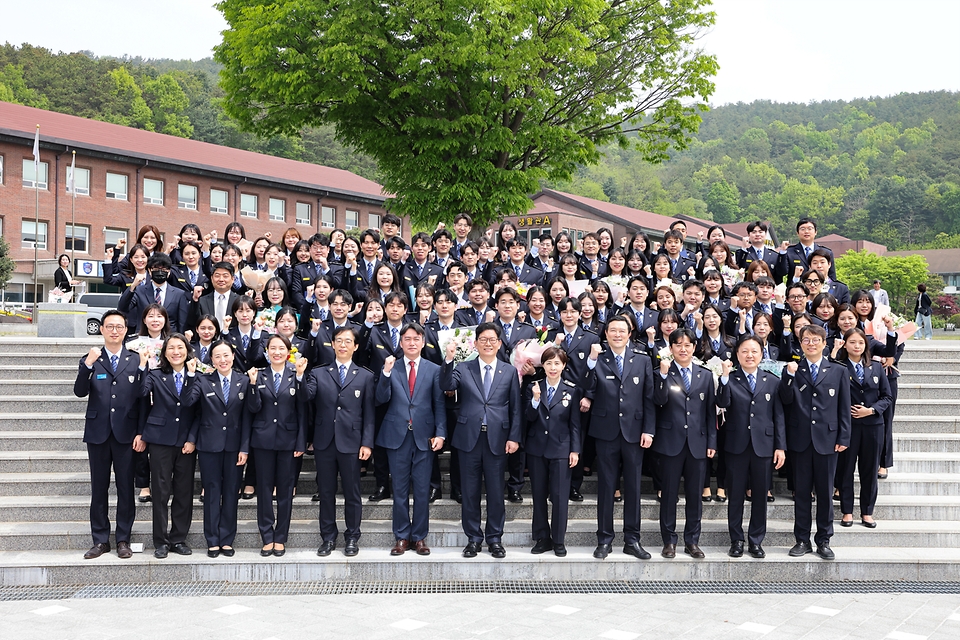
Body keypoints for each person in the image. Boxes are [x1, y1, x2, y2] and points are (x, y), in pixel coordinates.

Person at [440, 322, 522, 559]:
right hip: (468, 440)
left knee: (496, 492)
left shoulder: (508, 371)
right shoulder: (463, 368)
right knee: (470, 492)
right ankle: (473, 538)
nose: (487, 343)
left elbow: (515, 408)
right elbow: (446, 385)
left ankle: (495, 538)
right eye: (483, 339)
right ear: (475, 343)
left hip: (497, 438)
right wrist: (448, 359)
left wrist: (514, 437)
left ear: (499, 344)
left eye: (492, 339)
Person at [585, 316, 655, 560]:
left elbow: (649, 398)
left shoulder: (643, 359)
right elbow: (586, 388)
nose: (617, 334)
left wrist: (649, 429)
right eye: (612, 330)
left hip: (635, 432)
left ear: (629, 333)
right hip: (606, 431)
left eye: (621, 331)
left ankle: (632, 539)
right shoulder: (597, 359)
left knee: (634, 487)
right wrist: (591, 361)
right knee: (606, 487)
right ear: (606, 334)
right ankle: (604, 539)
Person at [73, 309, 142, 560]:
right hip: (98, 432)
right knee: (98, 488)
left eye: (119, 327)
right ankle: (100, 540)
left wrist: (141, 432)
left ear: (126, 331)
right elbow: (80, 391)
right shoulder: (92, 358)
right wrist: (87, 365)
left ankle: (123, 538)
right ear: (101, 329)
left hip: (126, 433)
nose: (115, 331)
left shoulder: (135, 359)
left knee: (125, 488)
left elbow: (142, 399)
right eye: (110, 326)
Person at [779, 324, 851, 560]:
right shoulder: (792, 369)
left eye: (815, 340)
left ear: (824, 343)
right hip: (800, 441)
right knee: (801, 492)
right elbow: (785, 400)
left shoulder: (838, 370)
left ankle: (824, 539)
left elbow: (844, 407)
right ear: (800, 344)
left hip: (828, 440)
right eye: (806, 340)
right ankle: (802, 539)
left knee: (825, 492)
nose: (811, 343)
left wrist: (843, 436)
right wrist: (789, 377)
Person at [303, 326, 375, 557]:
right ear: (332, 344)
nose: (343, 345)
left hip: (352, 443)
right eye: (339, 341)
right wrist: (299, 375)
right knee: (326, 492)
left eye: (348, 341)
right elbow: (306, 397)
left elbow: (369, 414)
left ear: (356, 346)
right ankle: (328, 537)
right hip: (325, 442)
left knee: (352, 493)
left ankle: (352, 536)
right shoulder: (318, 372)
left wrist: (367, 443)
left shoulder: (365, 375)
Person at [375, 323, 447, 556]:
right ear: (401, 341)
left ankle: (419, 537)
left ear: (423, 341)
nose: (412, 343)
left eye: (416, 338)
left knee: (423, 489)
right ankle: (401, 537)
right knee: (400, 489)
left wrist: (441, 432)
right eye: (407, 339)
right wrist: (385, 374)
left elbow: (438, 404)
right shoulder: (391, 367)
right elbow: (380, 398)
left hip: (424, 437)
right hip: (397, 436)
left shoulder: (434, 369)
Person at [716, 336, 786, 559]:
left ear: (762, 354)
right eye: (744, 351)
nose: (749, 355)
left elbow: (778, 417)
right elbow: (722, 403)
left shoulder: (772, 381)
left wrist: (780, 446)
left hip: (763, 446)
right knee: (735, 495)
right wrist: (724, 378)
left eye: (754, 351)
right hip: (736, 445)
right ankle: (736, 539)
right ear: (737, 355)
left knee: (759, 496)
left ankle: (756, 540)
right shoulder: (730, 379)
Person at [183, 340, 252, 558]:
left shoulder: (244, 381)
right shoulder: (203, 380)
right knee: (212, 493)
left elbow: (247, 417)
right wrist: (191, 375)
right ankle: (212, 539)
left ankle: (227, 539)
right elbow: (189, 405)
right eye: (217, 356)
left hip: (234, 447)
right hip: (209, 446)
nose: (222, 360)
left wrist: (244, 448)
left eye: (226, 355)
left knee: (231, 493)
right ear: (211, 360)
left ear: (233, 356)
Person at [653, 328, 716, 559]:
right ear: (671, 349)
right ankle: (669, 541)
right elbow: (658, 401)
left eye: (687, 344)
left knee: (694, 496)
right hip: (671, 443)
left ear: (694, 347)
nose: (683, 348)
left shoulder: (705, 375)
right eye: (678, 345)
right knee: (668, 495)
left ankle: (692, 541)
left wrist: (711, 441)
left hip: (698, 443)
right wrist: (661, 375)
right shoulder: (663, 372)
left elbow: (710, 412)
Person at [242, 334, 307, 557]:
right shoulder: (258, 375)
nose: (277, 352)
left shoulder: (296, 374)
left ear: (288, 351)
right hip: (263, 441)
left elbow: (303, 409)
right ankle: (266, 535)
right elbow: (252, 408)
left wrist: (301, 441)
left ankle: (281, 536)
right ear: (266, 352)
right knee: (264, 490)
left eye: (281, 348)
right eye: (273, 348)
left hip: (289, 442)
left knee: (285, 492)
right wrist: (251, 385)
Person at [139, 333, 197, 559]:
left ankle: (178, 538)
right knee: (161, 493)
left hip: (186, 443)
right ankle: (161, 541)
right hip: (160, 440)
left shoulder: (197, 375)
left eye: (180, 347)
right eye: (171, 347)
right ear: (164, 352)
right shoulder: (155, 374)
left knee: (183, 493)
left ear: (187, 350)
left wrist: (192, 439)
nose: (176, 351)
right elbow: (141, 392)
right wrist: (143, 365)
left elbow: (195, 408)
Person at [525, 347, 581, 557]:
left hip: (561, 449)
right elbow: (528, 418)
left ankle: (558, 539)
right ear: (543, 365)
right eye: (548, 363)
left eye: (557, 363)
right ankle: (542, 537)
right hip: (537, 448)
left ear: (564, 366)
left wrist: (575, 449)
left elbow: (575, 424)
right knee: (538, 495)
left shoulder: (571, 390)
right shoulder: (534, 387)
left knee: (559, 497)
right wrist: (535, 400)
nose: (552, 367)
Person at [837, 327, 892, 528]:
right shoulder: (838, 367)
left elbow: (887, 397)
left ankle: (867, 512)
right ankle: (847, 511)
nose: (857, 346)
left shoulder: (876, 367)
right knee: (845, 469)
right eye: (852, 342)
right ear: (845, 344)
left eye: (860, 343)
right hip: (848, 427)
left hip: (872, 426)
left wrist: (871, 410)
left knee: (869, 470)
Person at [118, 252, 190, 334]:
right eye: (156, 269)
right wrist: (133, 286)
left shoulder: (179, 294)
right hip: (144, 336)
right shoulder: (139, 291)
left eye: (163, 270)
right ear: (149, 270)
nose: (160, 272)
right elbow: (122, 307)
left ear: (169, 272)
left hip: (169, 338)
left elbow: (182, 322)